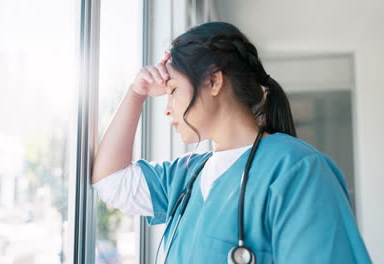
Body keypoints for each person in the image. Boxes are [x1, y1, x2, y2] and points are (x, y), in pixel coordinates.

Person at [91, 22, 371, 263]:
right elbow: (110, 180)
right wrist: (135, 93)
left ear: (213, 81)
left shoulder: (299, 172)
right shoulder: (187, 175)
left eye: (173, 91)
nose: (166, 108)